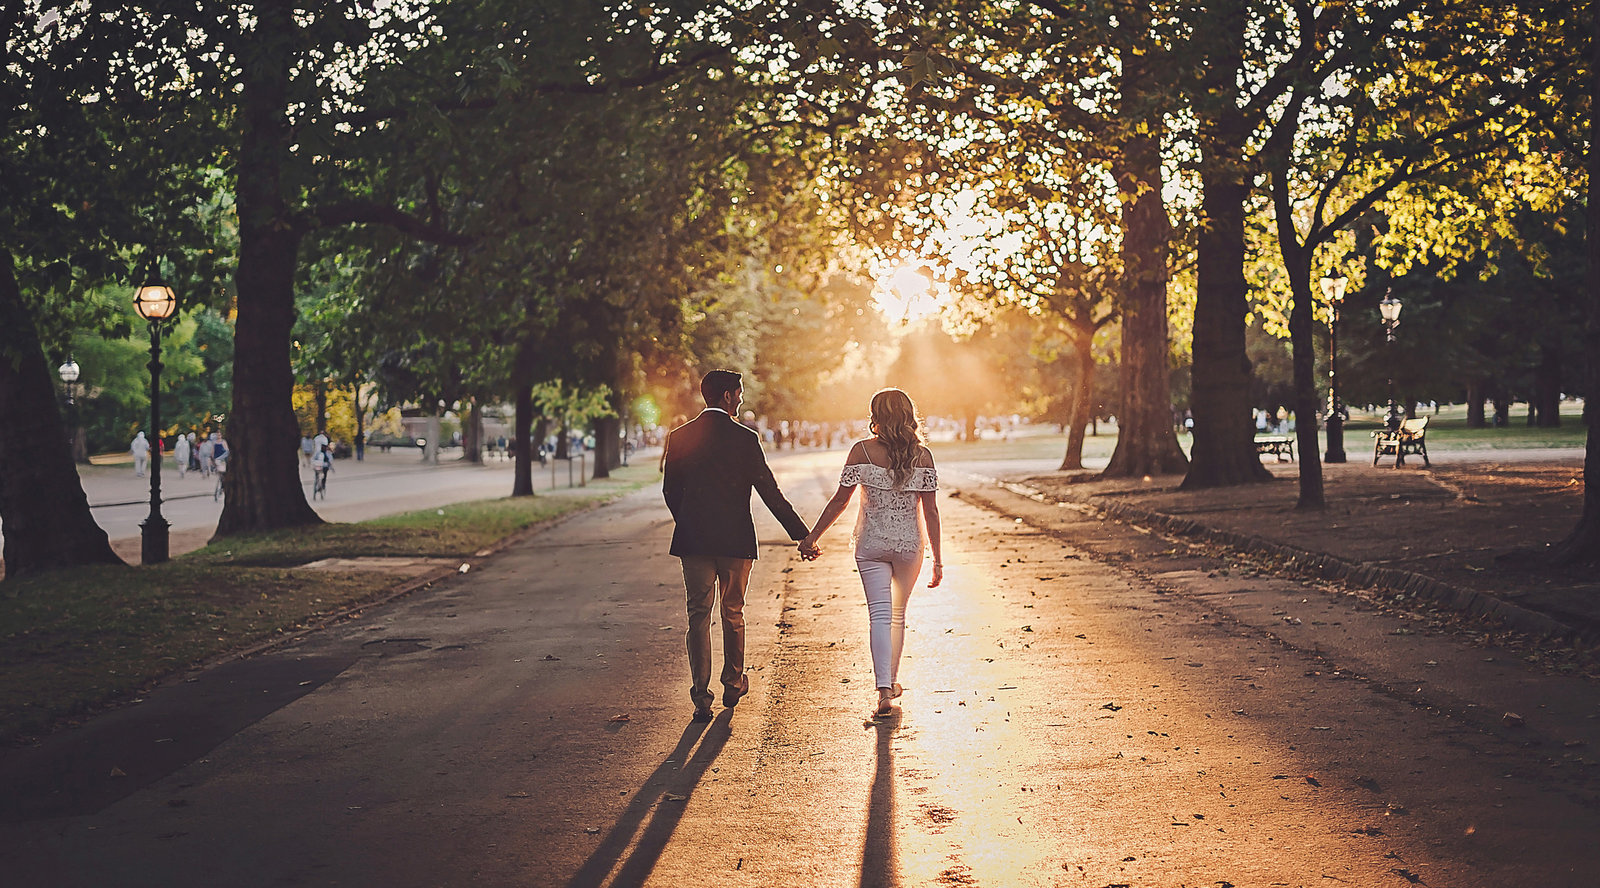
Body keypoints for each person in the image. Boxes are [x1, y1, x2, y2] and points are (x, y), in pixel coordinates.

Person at [663, 369, 813, 723]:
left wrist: (687, 521)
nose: (742, 398)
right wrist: (801, 534)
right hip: (735, 541)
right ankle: (733, 680)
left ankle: (701, 696)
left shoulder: (679, 436)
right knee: (733, 612)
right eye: (740, 393)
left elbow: (671, 491)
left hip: (694, 541)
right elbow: (769, 491)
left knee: (697, 616)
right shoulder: (745, 439)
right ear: (729, 396)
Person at [801, 388, 944, 719]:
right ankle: (891, 681)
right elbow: (931, 512)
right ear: (908, 415)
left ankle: (883, 690)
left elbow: (840, 500)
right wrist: (937, 559)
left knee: (879, 615)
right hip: (910, 546)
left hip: (871, 544)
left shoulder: (861, 451)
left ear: (876, 416)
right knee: (898, 616)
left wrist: (813, 536)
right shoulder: (922, 456)